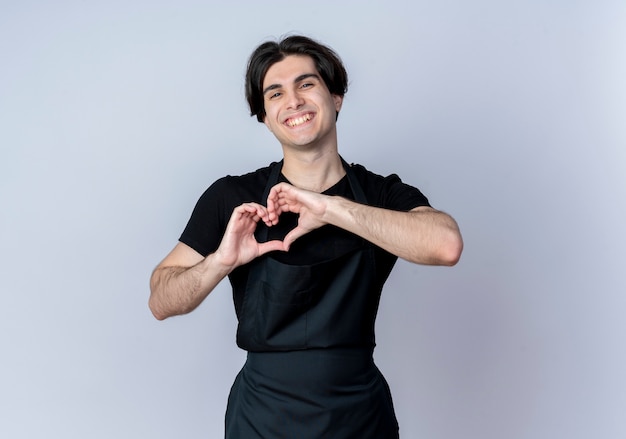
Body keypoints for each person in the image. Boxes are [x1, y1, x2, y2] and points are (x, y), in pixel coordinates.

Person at [149, 34, 463, 439]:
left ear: (336, 98)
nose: (293, 101)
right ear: (264, 115)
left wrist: (332, 208)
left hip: (359, 417)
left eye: (306, 84)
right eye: (275, 93)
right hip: (261, 419)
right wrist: (220, 261)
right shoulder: (233, 197)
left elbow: (446, 244)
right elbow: (160, 300)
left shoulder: (379, 194)